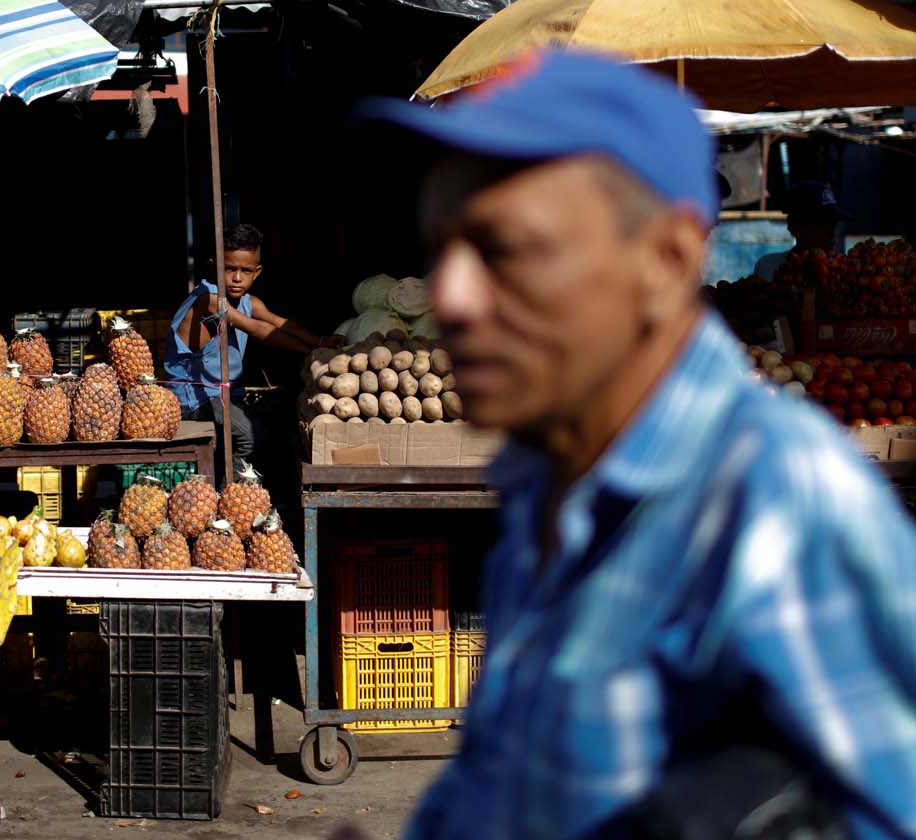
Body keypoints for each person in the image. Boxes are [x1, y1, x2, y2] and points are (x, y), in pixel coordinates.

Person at [356, 51, 916, 839]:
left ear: (667, 260)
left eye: (507, 249)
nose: (450, 294)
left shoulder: (774, 507)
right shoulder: (544, 484)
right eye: (440, 245)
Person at [163, 223, 337, 477]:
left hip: (223, 394)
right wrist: (309, 350)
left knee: (280, 417)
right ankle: (226, 496)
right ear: (214, 266)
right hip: (193, 398)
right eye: (230, 269)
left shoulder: (248, 302)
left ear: (257, 273)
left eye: (245, 271)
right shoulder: (209, 299)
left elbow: (279, 323)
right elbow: (256, 328)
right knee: (251, 438)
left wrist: (319, 344)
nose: (236, 278)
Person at [754, 180, 846, 281]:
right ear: (793, 226)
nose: (832, 235)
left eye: (834, 226)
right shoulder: (769, 267)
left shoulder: (844, 273)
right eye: (822, 226)